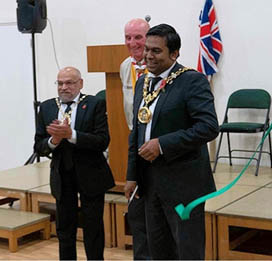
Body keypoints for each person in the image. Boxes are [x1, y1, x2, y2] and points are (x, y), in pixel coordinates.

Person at [124, 24, 219, 260]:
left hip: (183, 185)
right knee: (158, 251)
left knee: (187, 251)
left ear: (174, 54)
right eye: (146, 49)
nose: (148, 56)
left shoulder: (192, 81)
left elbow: (208, 127)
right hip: (150, 183)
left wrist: (162, 144)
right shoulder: (142, 83)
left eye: (156, 51)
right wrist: (131, 175)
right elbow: (137, 131)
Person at [34, 66, 115, 260]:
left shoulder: (95, 104)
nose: (64, 87)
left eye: (69, 83)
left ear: (80, 84)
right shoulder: (47, 107)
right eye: (60, 83)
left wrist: (72, 135)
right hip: (62, 175)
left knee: (93, 227)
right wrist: (54, 141)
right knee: (65, 228)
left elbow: (102, 140)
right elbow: (38, 145)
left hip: (91, 174)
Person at [119, 17, 150, 260]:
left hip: (158, 146)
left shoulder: (160, 65)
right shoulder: (123, 67)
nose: (132, 42)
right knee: (136, 211)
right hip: (135, 143)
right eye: (128, 37)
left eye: (138, 37)